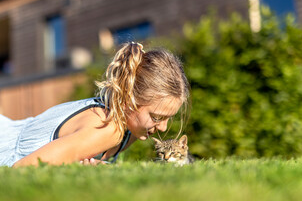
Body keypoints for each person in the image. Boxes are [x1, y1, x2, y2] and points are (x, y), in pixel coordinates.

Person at [0, 42, 190, 167]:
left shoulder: (130, 130)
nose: (163, 128)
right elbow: (22, 169)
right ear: (129, 100)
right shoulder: (108, 129)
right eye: (157, 118)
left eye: (168, 119)